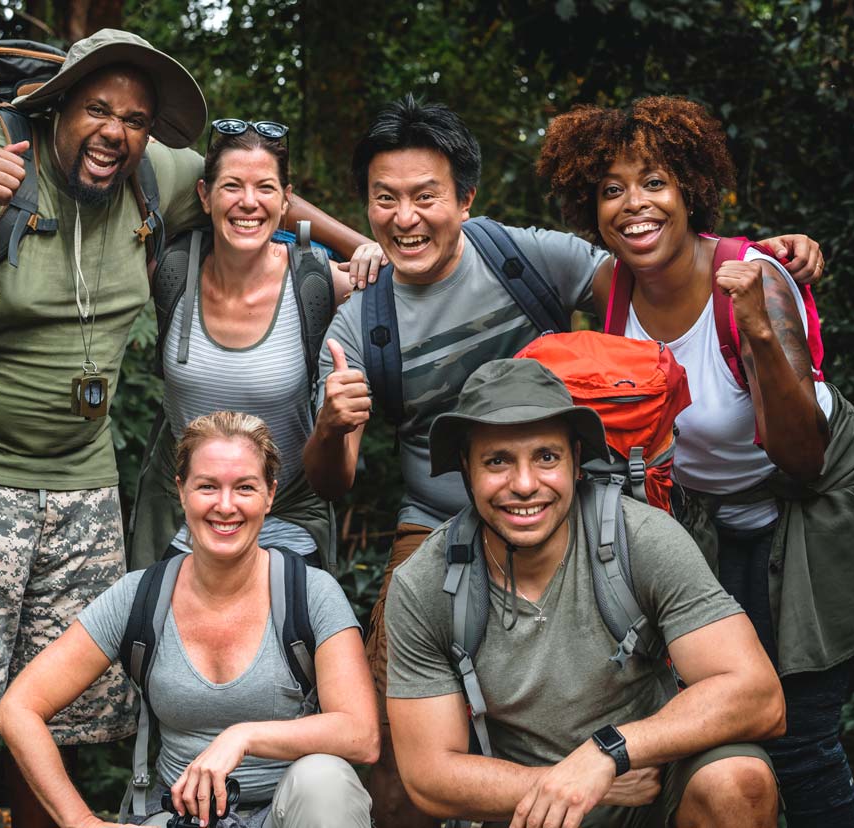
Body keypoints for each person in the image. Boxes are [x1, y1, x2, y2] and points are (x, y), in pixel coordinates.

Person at [0, 28, 368, 828]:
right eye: (97, 109)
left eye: (134, 118)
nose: (115, 132)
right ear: (59, 107)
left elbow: (254, 188)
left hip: (78, 474)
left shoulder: (152, 172)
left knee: (59, 715)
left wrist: (353, 243)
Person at [302, 93, 822, 827]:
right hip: (436, 523)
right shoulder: (362, 321)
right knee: (391, 756)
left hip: (569, 500)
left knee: (728, 758)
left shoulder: (519, 257)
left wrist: (754, 260)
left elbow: (656, 273)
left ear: (466, 199)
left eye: (426, 196)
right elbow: (334, 478)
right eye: (384, 200)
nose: (404, 217)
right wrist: (330, 425)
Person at [537, 95, 854, 827]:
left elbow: (802, 454)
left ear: (691, 188)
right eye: (611, 189)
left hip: (811, 500)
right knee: (717, 719)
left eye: (655, 181)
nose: (633, 205)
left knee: (799, 734)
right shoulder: (609, 289)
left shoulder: (754, 278)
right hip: (704, 511)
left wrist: (760, 328)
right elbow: (466, 240)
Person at [384, 358, 785, 828]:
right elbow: (429, 775)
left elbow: (758, 696)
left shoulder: (642, 539)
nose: (525, 484)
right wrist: (570, 783)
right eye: (497, 461)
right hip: (531, 813)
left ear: (576, 461)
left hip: (652, 793)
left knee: (737, 780)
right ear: (467, 471)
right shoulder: (426, 584)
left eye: (546, 457)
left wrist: (608, 753)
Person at [0, 411, 378, 828]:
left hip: (288, 815)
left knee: (326, 779)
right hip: (181, 818)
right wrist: (79, 821)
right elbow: (17, 709)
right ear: (181, 491)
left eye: (245, 487)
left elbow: (360, 733)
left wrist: (242, 736)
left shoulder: (311, 592)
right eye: (207, 486)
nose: (225, 505)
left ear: (270, 494)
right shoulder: (141, 596)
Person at [127, 119, 361, 571]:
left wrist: (365, 248)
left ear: (286, 199)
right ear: (203, 195)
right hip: (180, 518)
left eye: (265, 188)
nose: (248, 203)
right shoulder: (171, 271)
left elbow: (411, 279)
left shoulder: (318, 283)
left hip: (287, 517)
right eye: (231, 186)